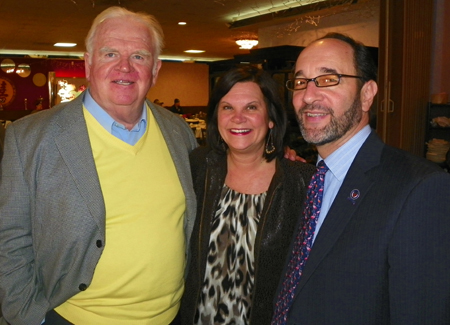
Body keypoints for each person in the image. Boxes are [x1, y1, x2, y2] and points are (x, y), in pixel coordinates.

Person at [0, 6, 198, 325]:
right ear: (88, 64)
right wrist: (28, 316)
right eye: (110, 54)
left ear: (155, 69)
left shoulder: (177, 131)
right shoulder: (31, 138)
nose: (125, 67)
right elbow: (8, 235)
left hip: (172, 317)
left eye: (139, 56)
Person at [272, 32, 450, 324]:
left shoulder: (419, 188)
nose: (309, 95)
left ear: (367, 94)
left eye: (328, 79)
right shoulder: (310, 180)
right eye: (301, 82)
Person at [180, 66, 315, 324]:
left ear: (271, 118)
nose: (238, 118)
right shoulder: (197, 166)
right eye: (227, 107)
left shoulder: (302, 182)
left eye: (251, 107)